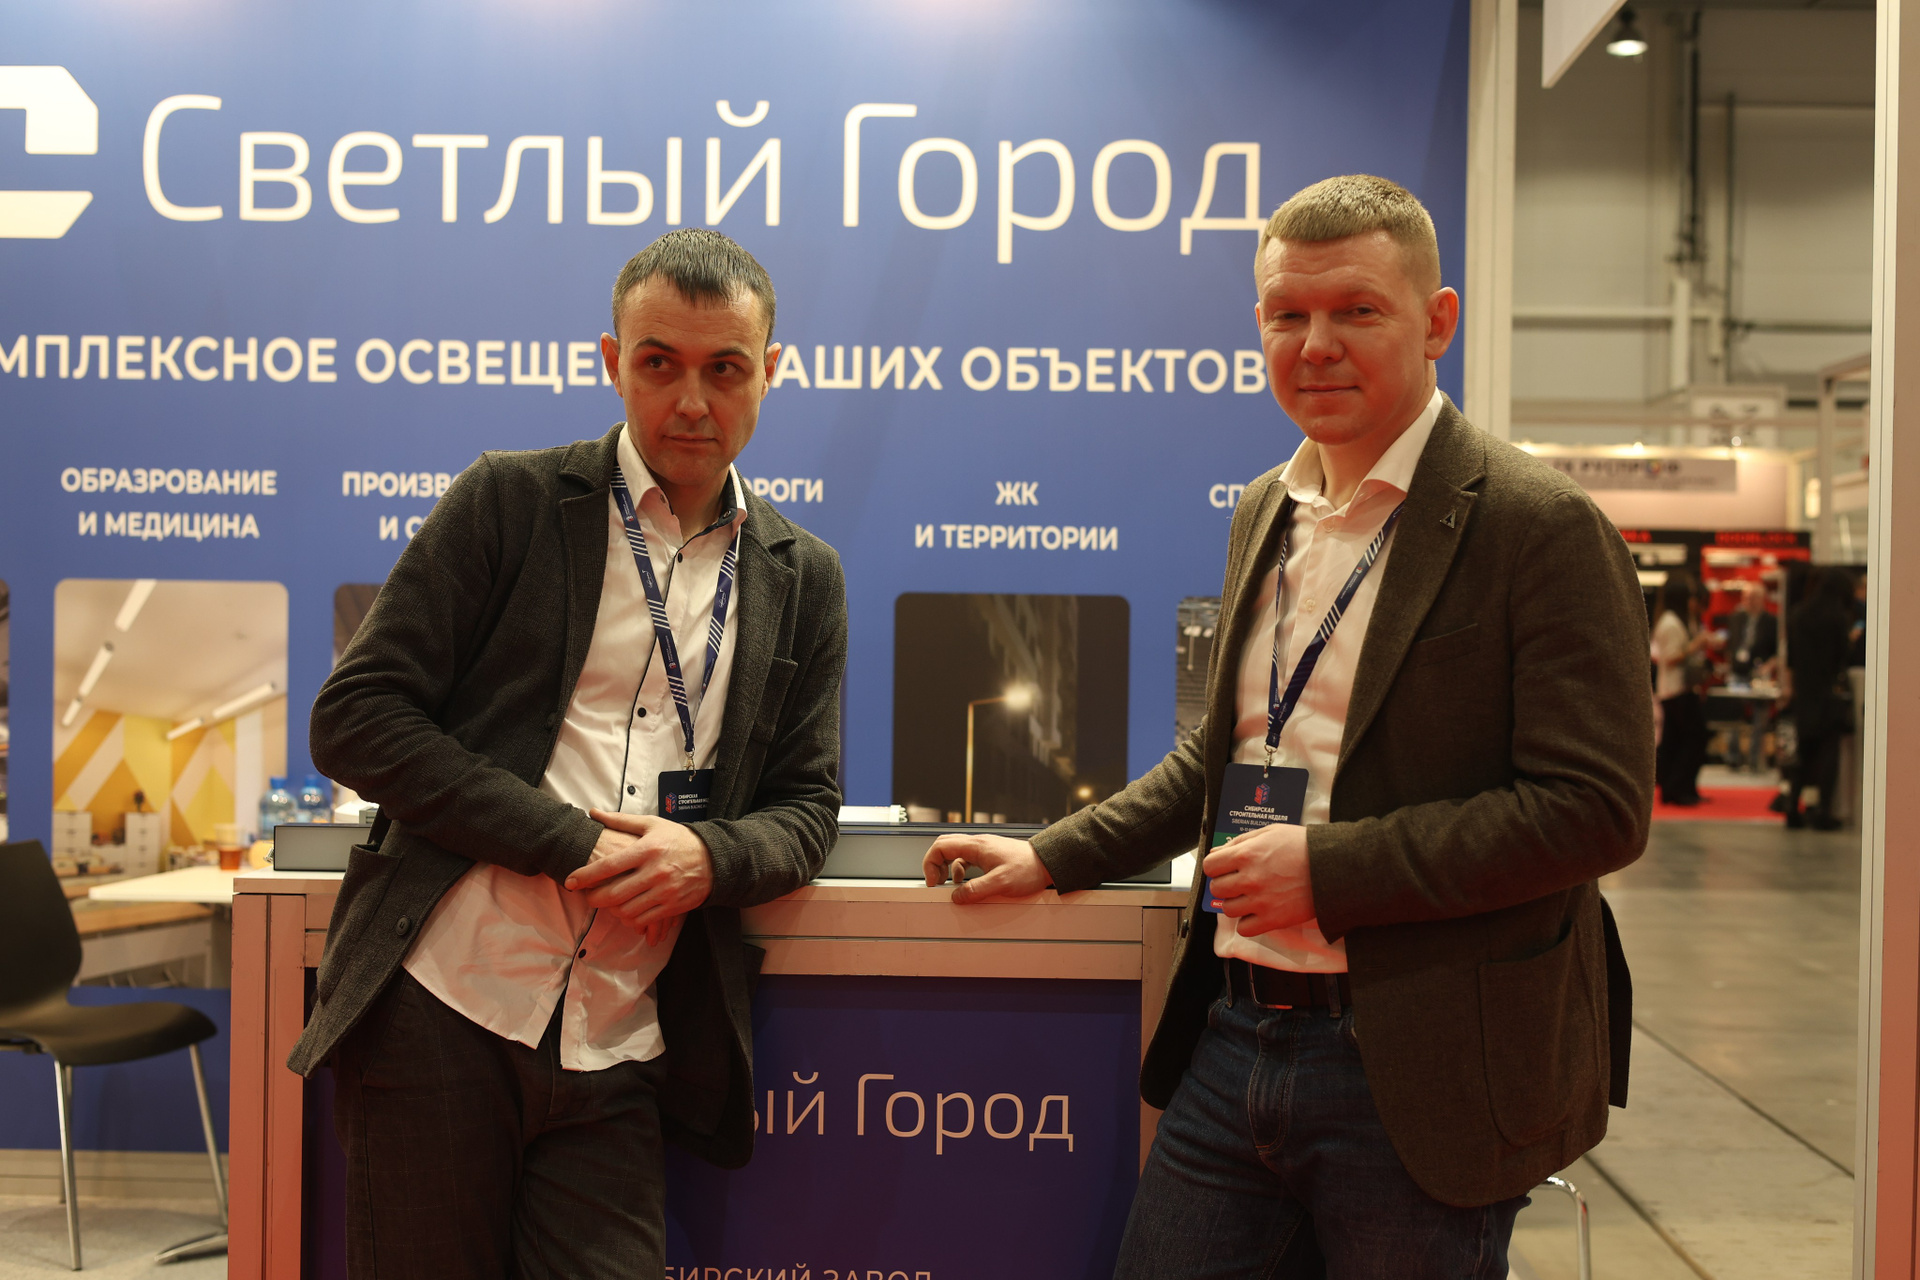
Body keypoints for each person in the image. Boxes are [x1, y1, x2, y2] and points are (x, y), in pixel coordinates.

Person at [924, 175, 1652, 1279]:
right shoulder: (1266, 506)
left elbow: (1594, 809)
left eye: (1356, 309)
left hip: (1422, 1062)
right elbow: (1221, 760)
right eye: (1286, 314)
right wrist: (1051, 854)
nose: (1316, 344)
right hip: (1234, 1033)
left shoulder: (1538, 525)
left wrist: (1329, 869)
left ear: (1437, 321)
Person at [290, 229, 848, 1279]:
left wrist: (710, 859)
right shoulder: (510, 501)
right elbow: (357, 717)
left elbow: (807, 806)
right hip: (443, 1002)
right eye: (660, 363)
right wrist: (572, 842)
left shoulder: (802, 575)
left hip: (623, 1034)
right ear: (612, 361)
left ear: (770, 371)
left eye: (725, 369)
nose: (692, 401)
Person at [1784, 568, 1857, 830]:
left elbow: (1791, 658)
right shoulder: (1838, 617)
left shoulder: (1799, 614)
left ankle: (1792, 806)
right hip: (1827, 693)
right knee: (1828, 753)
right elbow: (1842, 657)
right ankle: (1824, 811)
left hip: (1804, 691)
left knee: (1803, 753)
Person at [1650, 573, 1709, 805]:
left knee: (1675, 741)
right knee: (1692, 740)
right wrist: (1696, 645)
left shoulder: (1672, 620)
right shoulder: (1672, 623)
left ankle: (1677, 789)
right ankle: (1678, 787)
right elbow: (1672, 657)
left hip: (1675, 689)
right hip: (1677, 690)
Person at [1722, 580, 1779, 771]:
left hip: (1759, 674)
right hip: (1738, 672)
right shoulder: (1736, 618)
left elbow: (1777, 651)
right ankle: (1733, 757)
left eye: (1753, 597)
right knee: (1732, 714)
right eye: (1745, 597)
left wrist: (1768, 667)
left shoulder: (1771, 622)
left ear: (1762, 599)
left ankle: (1755, 759)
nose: (1748, 601)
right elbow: (1731, 645)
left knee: (1759, 717)